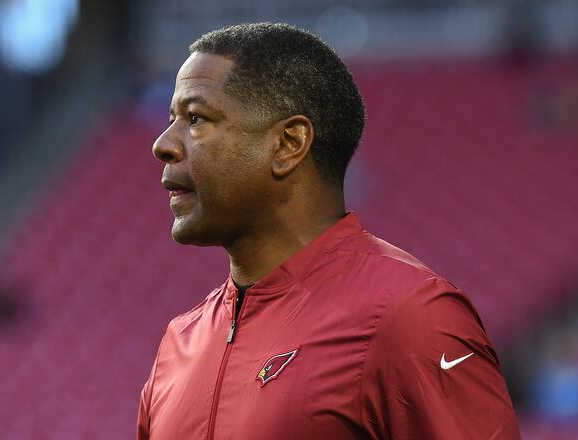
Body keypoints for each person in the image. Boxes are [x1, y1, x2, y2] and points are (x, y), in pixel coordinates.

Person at [138, 23, 520, 439]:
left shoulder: (411, 315)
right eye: (172, 118)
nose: (163, 143)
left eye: (195, 118)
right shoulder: (180, 342)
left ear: (288, 144)